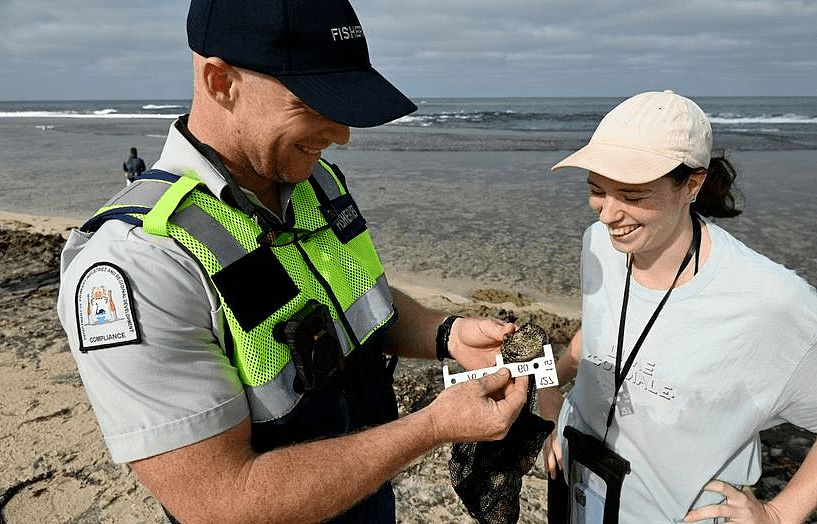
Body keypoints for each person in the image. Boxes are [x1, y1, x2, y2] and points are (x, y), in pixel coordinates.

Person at [56, 1, 530, 523]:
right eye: (314, 101)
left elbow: (356, 302)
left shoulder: (316, 186)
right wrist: (432, 427)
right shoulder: (139, 262)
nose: (342, 133)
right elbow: (219, 502)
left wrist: (447, 334)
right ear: (220, 81)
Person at [539, 90, 817, 523]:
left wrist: (780, 514)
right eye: (597, 190)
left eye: (631, 196)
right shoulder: (597, 244)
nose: (608, 215)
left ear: (692, 184)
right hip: (578, 493)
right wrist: (549, 395)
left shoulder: (770, 301)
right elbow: (598, 328)